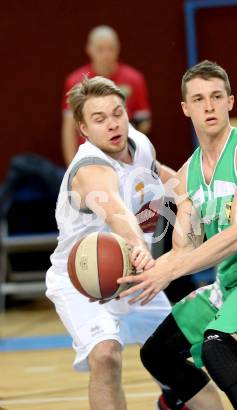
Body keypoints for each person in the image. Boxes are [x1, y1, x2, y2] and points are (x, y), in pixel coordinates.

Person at [117, 60, 237, 410]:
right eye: (199, 98)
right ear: (185, 108)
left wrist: (171, 271)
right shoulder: (188, 173)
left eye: (216, 96)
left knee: (217, 347)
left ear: (230, 102)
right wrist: (148, 273)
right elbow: (184, 247)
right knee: (158, 353)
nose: (208, 106)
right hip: (230, 285)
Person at [46, 76, 185, 410]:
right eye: (99, 119)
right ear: (83, 129)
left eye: (117, 113)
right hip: (86, 281)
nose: (112, 124)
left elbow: (156, 172)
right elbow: (115, 212)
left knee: (179, 359)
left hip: (134, 274)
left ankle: (172, 400)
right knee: (106, 355)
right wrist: (138, 244)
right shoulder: (89, 168)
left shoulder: (139, 143)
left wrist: (187, 191)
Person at [62, 25, 151, 165]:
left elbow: (144, 122)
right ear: (89, 49)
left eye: (111, 49)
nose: (106, 55)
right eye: (100, 49)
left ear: (118, 48)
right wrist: (72, 167)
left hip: (125, 155)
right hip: (91, 159)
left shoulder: (134, 79)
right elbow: (69, 128)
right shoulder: (75, 81)